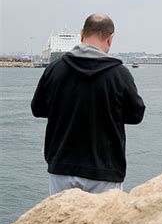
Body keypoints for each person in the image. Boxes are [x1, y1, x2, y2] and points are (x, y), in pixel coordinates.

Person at [31, 14, 145, 195]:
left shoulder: (55, 68)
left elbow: (37, 109)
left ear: (82, 34)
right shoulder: (119, 73)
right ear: (110, 38)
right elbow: (136, 114)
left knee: (60, 221)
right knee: (103, 223)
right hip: (104, 169)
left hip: (61, 165)